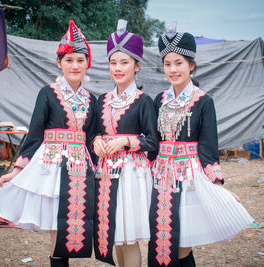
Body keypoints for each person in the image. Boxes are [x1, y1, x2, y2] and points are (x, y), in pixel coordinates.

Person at [0, 20, 97, 267]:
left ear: (87, 63)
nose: (75, 65)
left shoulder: (92, 99)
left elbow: (93, 139)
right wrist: (16, 171)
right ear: (59, 63)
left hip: (80, 170)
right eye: (68, 60)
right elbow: (34, 136)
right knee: (57, 233)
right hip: (51, 170)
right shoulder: (48, 93)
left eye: (80, 60)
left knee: (74, 228)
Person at [147, 24, 254, 267]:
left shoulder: (204, 102)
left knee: (182, 244)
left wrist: (217, 186)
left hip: (189, 179)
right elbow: (153, 144)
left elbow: (208, 149)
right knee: (159, 240)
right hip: (160, 178)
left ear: (191, 65)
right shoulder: (158, 100)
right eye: (167, 64)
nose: (173, 70)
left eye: (179, 63)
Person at [92, 19, 158, 267]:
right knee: (113, 236)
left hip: (132, 175)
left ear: (137, 66)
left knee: (129, 238)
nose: (117, 68)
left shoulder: (144, 101)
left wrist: (124, 141)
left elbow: (152, 141)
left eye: (124, 62)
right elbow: (94, 132)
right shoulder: (102, 100)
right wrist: (97, 141)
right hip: (105, 174)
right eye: (113, 62)